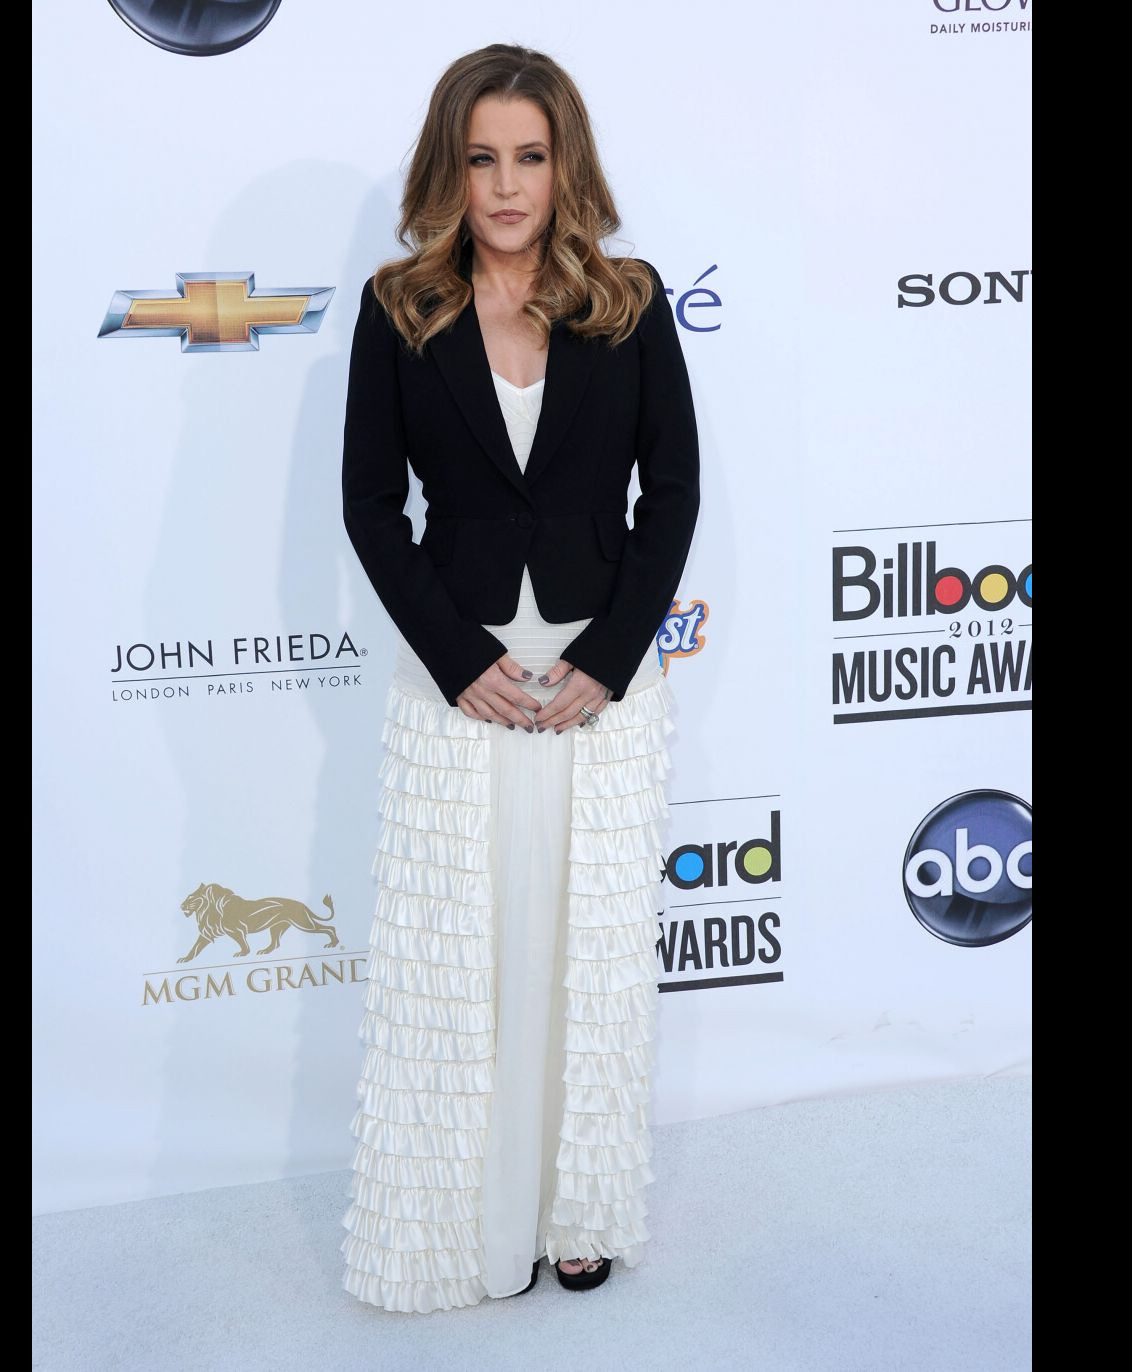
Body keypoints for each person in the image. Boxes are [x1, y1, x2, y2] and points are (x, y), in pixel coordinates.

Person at [339, 42, 701, 1313]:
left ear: (566, 166)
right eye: (482, 157)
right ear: (453, 165)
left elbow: (676, 495)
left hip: (601, 688)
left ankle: (580, 1207)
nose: (506, 185)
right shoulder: (400, 307)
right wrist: (459, 663)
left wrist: (609, 658)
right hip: (462, 687)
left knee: (586, 958)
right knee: (472, 962)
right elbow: (371, 507)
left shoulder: (631, 301)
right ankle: (477, 1225)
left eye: (530, 157)